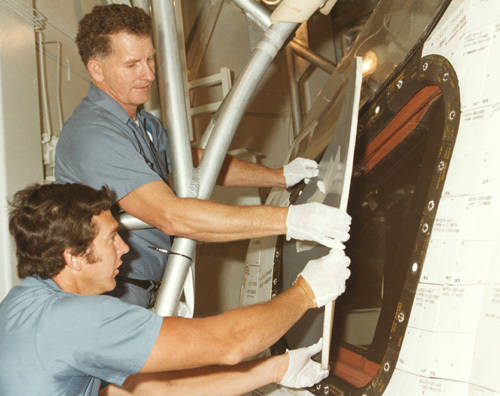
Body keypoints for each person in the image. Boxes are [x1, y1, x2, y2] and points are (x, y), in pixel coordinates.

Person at [55, 4, 351, 308]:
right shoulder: (94, 136)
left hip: (147, 288)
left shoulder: (141, 122)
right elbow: (171, 215)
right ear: (97, 69)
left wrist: (278, 176)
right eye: (132, 65)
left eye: (150, 59)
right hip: (111, 299)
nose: (149, 74)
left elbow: (194, 161)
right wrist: (291, 221)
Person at [0, 183, 351, 395]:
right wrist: (308, 291)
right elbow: (228, 344)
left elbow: (142, 391)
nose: (125, 248)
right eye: (111, 239)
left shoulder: (23, 302)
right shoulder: (76, 321)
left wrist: (272, 370)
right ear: (73, 257)